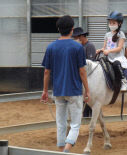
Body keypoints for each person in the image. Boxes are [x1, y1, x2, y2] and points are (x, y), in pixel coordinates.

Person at [40, 15, 90, 153]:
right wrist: (87, 90)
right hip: (74, 91)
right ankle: (67, 149)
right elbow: (82, 72)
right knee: (75, 124)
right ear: (72, 29)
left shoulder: (51, 47)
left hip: (58, 91)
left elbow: (46, 72)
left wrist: (45, 91)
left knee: (60, 123)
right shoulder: (78, 47)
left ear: (58, 29)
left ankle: (61, 149)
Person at [96, 11, 127, 92]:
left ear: (119, 24)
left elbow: (119, 48)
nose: (111, 25)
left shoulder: (121, 34)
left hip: (118, 57)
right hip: (108, 57)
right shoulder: (107, 35)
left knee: (116, 64)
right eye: (110, 23)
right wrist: (100, 50)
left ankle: (124, 82)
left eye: (113, 23)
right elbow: (104, 47)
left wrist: (109, 51)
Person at [72, 27, 95, 117]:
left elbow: (90, 62)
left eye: (76, 38)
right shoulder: (80, 46)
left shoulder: (90, 46)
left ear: (81, 37)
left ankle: (89, 114)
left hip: (88, 75)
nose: (75, 40)